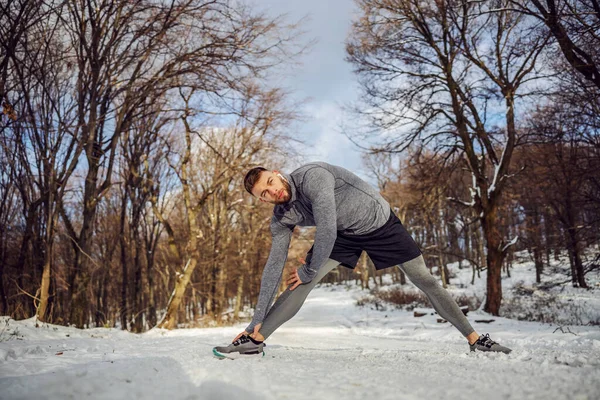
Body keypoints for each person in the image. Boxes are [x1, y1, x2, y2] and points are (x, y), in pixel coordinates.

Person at [213, 162, 512, 357]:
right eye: (264, 194)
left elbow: (326, 225)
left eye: (269, 183)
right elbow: (273, 266)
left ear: (276, 172)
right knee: (300, 281)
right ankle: (256, 339)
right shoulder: (281, 217)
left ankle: (475, 339)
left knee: (425, 280)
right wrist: (255, 319)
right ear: (261, 200)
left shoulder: (312, 177)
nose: (271, 192)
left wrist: (310, 267)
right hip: (344, 233)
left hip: (380, 224)